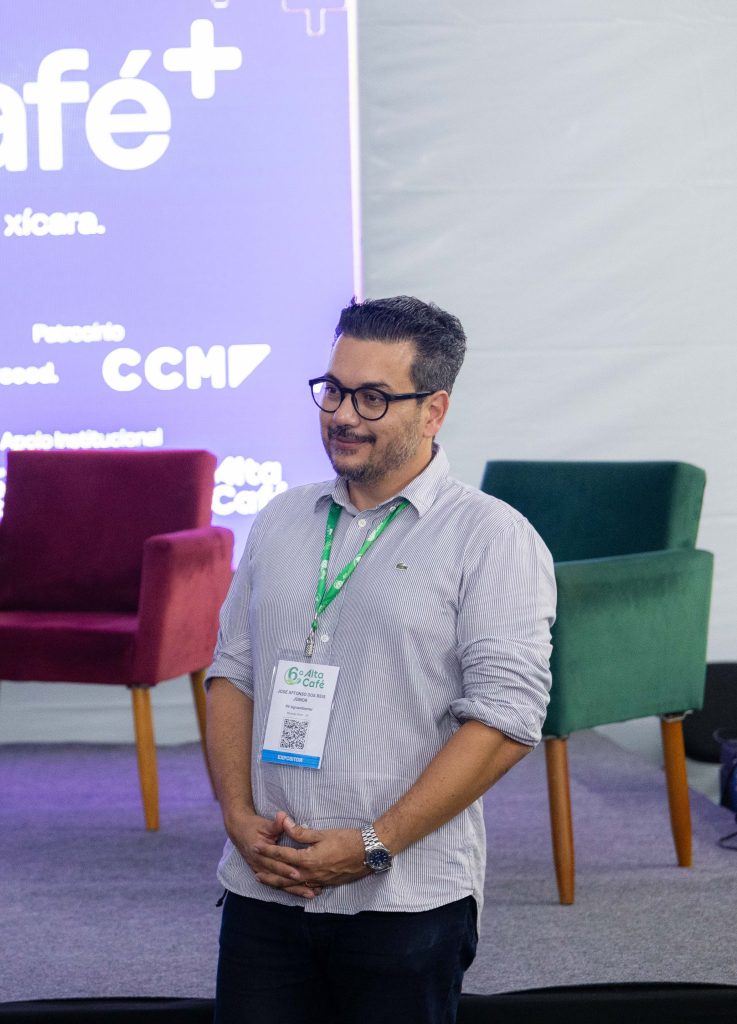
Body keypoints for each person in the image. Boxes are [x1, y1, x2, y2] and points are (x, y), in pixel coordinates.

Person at [206, 295, 556, 1024]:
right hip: (264, 881)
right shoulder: (280, 519)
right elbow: (231, 674)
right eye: (333, 390)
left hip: (404, 898)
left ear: (433, 411)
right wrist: (238, 817)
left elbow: (507, 721)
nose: (342, 415)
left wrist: (372, 845)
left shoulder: (490, 537)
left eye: (372, 398)